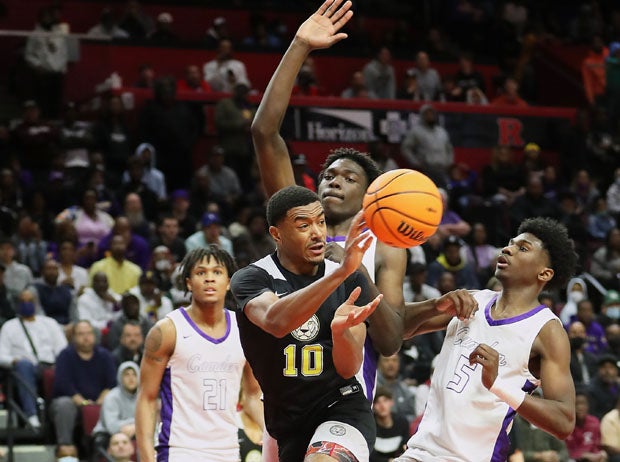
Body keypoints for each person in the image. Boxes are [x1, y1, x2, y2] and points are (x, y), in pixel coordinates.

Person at [395, 217, 579, 461]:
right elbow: (394, 328)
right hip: (420, 452)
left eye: (522, 248)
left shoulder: (546, 330)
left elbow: (564, 422)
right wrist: (435, 305)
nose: (507, 248)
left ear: (544, 273)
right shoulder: (472, 300)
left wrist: (498, 385)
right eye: (511, 243)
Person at [230, 185, 383, 461]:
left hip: (341, 405)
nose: (317, 233)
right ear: (276, 234)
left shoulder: (350, 279)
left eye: (321, 222)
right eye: (304, 225)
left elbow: (349, 367)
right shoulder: (252, 278)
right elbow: (275, 321)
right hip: (287, 421)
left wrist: (340, 333)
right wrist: (338, 275)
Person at [136, 246, 264, 462]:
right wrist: (147, 457)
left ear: (229, 282)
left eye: (217, 272)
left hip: (228, 451)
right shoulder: (167, 331)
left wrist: (273, 434)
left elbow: (252, 396)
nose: (209, 279)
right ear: (188, 282)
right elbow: (147, 399)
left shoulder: (245, 330)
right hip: (179, 450)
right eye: (201, 273)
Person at [0, 288, 67, 428]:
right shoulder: (9, 326)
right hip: (22, 369)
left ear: (36, 302)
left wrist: (58, 365)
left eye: (29, 301)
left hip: (49, 366)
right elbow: (1, 355)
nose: (26, 304)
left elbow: (62, 350)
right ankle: (31, 415)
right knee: (24, 366)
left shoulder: (50, 323)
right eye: (22, 301)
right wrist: (14, 360)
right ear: (17, 304)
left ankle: (53, 418)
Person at [50, 320, 117, 449]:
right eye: (81, 334)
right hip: (73, 401)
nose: (86, 337)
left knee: (113, 401)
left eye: (89, 333)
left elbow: (111, 383)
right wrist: (84, 403)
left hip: (100, 401)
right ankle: (65, 447)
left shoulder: (105, 355)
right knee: (64, 404)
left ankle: (106, 449)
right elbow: (63, 384)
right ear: (74, 337)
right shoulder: (65, 355)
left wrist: (100, 401)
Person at [91, 361, 139, 459]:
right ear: (120, 378)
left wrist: (135, 427)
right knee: (120, 441)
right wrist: (137, 424)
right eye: (127, 375)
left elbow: (153, 422)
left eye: (134, 374)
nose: (131, 378)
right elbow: (112, 426)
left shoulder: (143, 397)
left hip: (136, 432)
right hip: (108, 435)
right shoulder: (111, 397)